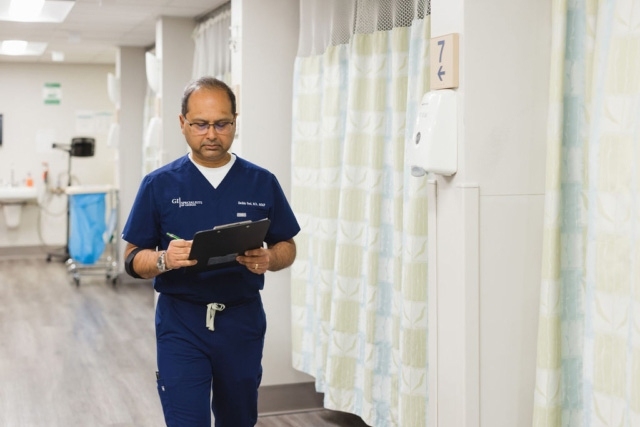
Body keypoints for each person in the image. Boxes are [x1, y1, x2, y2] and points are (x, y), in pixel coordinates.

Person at [121, 76, 300, 427]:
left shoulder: (261, 182)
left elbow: (287, 247)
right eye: (200, 124)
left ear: (235, 121)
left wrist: (269, 258)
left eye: (222, 124)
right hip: (181, 322)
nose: (212, 134)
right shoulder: (159, 184)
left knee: (239, 418)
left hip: (241, 321)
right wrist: (163, 259)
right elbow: (131, 259)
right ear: (182, 123)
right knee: (187, 420)